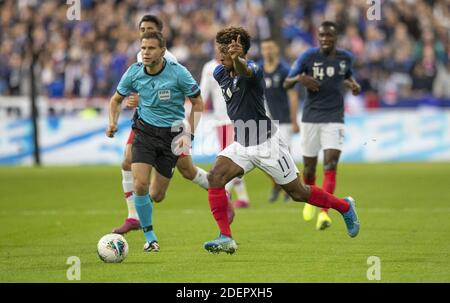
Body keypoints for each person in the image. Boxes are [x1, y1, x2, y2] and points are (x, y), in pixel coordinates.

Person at [203, 26, 360, 254]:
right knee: (215, 177)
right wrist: (233, 60)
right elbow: (235, 71)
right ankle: (226, 237)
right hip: (242, 143)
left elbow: (244, 71)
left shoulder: (254, 71)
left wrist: (238, 60)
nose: (220, 56)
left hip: (267, 144)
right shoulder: (219, 72)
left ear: (240, 52)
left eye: (225, 51)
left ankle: (345, 206)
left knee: (298, 193)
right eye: (219, 50)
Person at [113, 15, 213, 234]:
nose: (144, 33)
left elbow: (180, 96)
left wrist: (146, 99)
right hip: (145, 124)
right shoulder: (142, 55)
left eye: (149, 29)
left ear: (160, 34)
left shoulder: (172, 63)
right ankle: (133, 217)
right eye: (142, 30)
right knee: (127, 162)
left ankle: (217, 188)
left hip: (173, 128)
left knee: (186, 172)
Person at [284, 21, 361, 231]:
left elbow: (346, 76)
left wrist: (353, 84)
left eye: (329, 36)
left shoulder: (345, 58)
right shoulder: (308, 57)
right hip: (310, 117)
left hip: (335, 117)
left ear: (336, 38)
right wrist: (301, 79)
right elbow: (286, 83)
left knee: (330, 164)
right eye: (322, 36)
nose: (325, 39)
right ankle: (311, 201)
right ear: (318, 38)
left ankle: (324, 213)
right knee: (309, 168)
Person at [200, 48, 251, 209]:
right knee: (231, 157)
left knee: (231, 158)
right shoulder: (209, 68)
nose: (219, 51)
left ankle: (225, 194)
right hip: (220, 121)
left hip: (236, 120)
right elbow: (203, 93)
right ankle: (242, 197)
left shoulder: (236, 66)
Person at [259, 38, 300, 203]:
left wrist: (294, 120)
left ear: (276, 49)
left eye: (270, 48)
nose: (267, 51)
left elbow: (293, 95)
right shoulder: (258, 70)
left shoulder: (284, 70)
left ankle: (290, 191)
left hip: (283, 121)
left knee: (285, 157)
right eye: (264, 48)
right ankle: (277, 183)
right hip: (265, 122)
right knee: (263, 158)